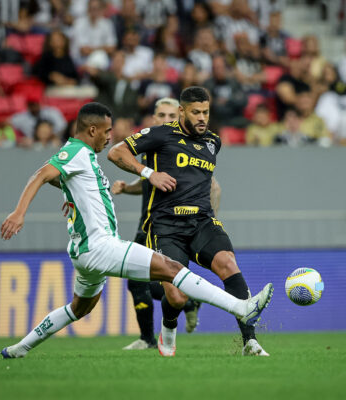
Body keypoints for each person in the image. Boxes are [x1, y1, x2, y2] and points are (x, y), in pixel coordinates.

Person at [0, 102, 274, 358]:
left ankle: (20, 348)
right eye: (107, 131)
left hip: (84, 253)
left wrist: (70, 193)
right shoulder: (75, 152)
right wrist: (19, 212)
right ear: (92, 130)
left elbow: (61, 179)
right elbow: (42, 174)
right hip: (101, 246)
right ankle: (241, 306)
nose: (109, 137)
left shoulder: (82, 158)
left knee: (78, 308)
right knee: (173, 269)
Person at [107, 87, 270, 357]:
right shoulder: (160, 133)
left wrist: (213, 217)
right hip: (166, 227)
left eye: (206, 111)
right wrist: (149, 174)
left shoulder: (213, 142)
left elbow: (209, 185)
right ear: (182, 111)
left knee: (228, 264)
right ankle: (168, 328)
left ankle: (250, 342)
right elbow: (116, 152)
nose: (202, 117)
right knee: (177, 296)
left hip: (202, 222)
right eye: (196, 112)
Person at [111, 98, 221, 350]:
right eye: (160, 114)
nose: (165, 119)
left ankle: (185, 303)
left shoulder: (184, 146)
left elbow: (213, 186)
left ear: (180, 116)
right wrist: (128, 189)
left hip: (170, 228)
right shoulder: (155, 143)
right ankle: (148, 337)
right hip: (147, 224)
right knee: (137, 280)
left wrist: (209, 222)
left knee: (161, 282)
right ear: (153, 117)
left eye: (170, 114)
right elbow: (153, 181)